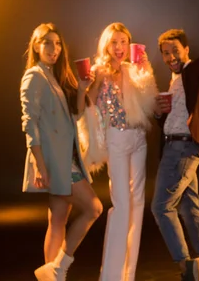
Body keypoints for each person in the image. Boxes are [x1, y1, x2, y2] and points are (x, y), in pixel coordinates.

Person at [20, 23, 103, 281]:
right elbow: (29, 123)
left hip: (65, 157)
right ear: (36, 45)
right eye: (47, 43)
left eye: (57, 44)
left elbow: (74, 117)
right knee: (94, 208)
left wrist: (80, 90)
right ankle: (59, 267)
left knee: (57, 220)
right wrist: (41, 167)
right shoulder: (34, 76)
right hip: (55, 162)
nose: (54, 49)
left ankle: (51, 276)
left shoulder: (52, 77)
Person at [151, 0, 199, 281]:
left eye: (174, 51)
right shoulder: (173, 81)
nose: (170, 58)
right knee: (187, 203)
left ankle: (187, 266)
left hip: (183, 149)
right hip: (176, 145)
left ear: (186, 50)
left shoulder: (197, 69)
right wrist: (159, 114)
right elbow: (173, 119)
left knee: (161, 207)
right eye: (165, 54)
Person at [87, 22, 158, 281]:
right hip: (116, 138)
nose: (119, 48)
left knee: (138, 203)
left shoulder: (132, 69)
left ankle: (128, 274)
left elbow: (149, 102)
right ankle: (111, 276)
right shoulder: (99, 70)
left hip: (138, 137)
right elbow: (88, 102)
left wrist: (145, 71)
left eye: (124, 42)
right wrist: (99, 79)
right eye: (115, 42)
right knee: (122, 205)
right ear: (106, 44)